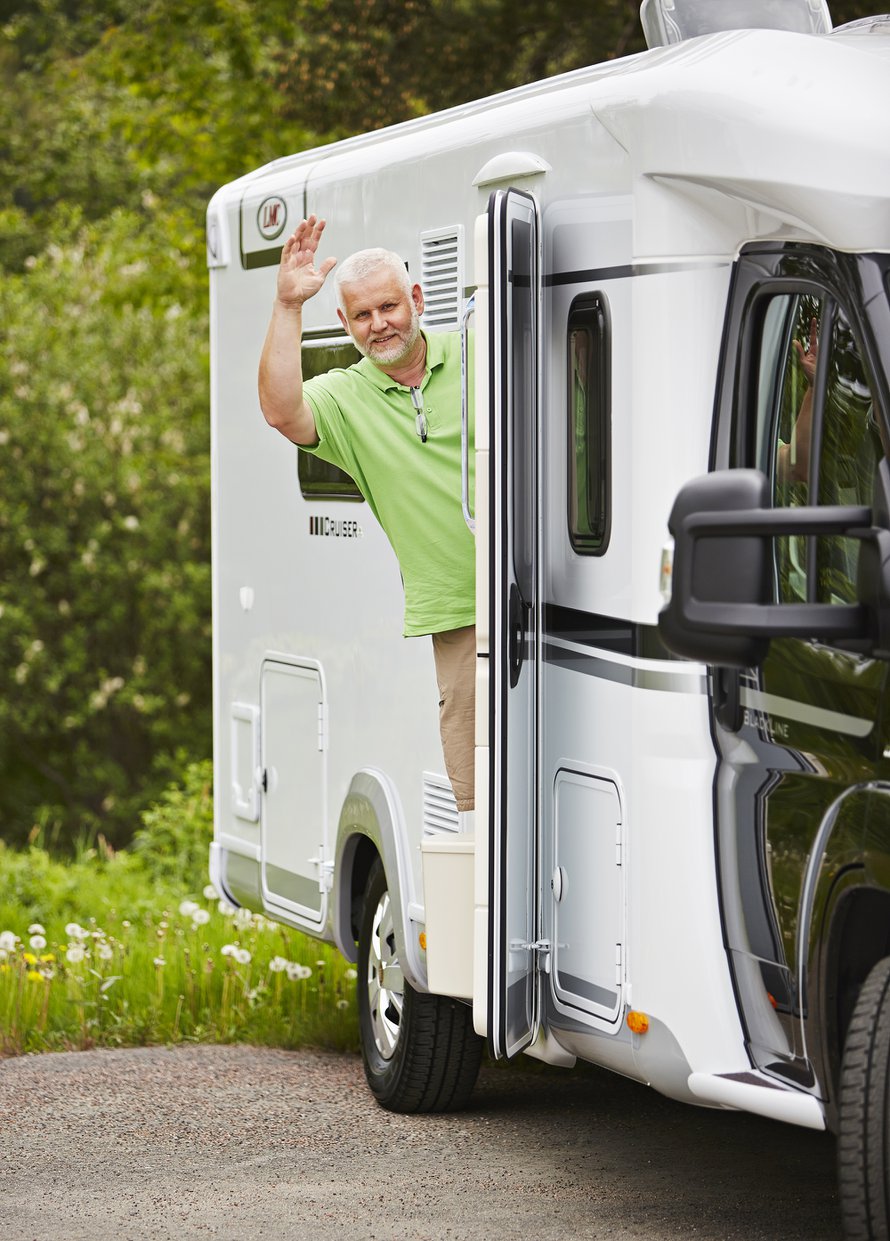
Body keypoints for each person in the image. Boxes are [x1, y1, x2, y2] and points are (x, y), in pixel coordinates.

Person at [257, 215, 476, 821]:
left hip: (555, 598)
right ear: (345, 324)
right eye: (362, 315)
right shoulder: (346, 396)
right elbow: (280, 409)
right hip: (460, 616)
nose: (379, 325)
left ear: (417, 300)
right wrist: (285, 305)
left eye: (389, 307)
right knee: (479, 806)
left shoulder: (482, 353)